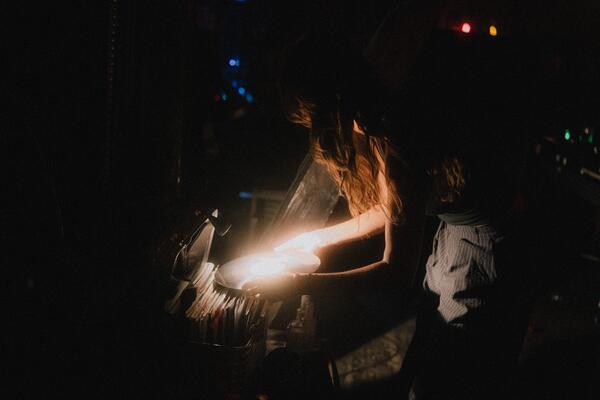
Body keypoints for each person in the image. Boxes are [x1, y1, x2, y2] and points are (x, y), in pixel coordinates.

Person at [242, 25, 532, 399]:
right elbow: (393, 208)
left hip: (485, 256)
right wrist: (314, 238)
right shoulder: (380, 115)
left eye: (312, 122)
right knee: (430, 361)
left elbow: (394, 272)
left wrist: (303, 283)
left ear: (329, 109)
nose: (315, 134)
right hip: (457, 240)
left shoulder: (392, 140)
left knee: (448, 379)